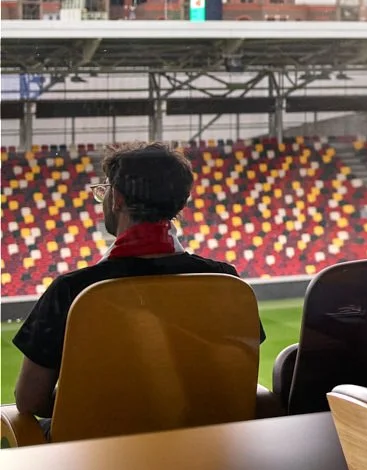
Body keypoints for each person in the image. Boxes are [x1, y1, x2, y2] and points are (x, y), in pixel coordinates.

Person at [10, 141, 245, 421]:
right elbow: (235, 378)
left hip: (99, 445)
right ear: (181, 203)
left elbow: (29, 400)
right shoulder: (225, 280)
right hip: (204, 441)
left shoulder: (71, 291)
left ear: (118, 198)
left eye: (106, 190)